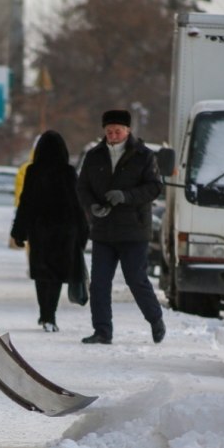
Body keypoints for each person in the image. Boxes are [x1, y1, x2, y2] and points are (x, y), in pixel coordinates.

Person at [75, 109, 165, 345]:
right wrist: (92, 206)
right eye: (109, 131)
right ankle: (102, 331)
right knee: (99, 283)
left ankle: (155, 318)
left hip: (134, 229)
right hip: (103, 229)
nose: (113, 135)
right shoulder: (94, 155)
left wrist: (125, 196)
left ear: (128, 130)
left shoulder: (144, 155)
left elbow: (155, 187)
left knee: (135, 278)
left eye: (117, 131)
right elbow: (82, 186)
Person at [10, 131, 89, 332]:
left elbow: (25, 203)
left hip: (40, 230)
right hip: (65, 230)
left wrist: (18, 232)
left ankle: (44, 314)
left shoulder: (33, 171)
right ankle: (50, 316)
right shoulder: (68, 172)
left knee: (41, 274)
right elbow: (76, 204)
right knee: (56, 275)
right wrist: (83, 231)